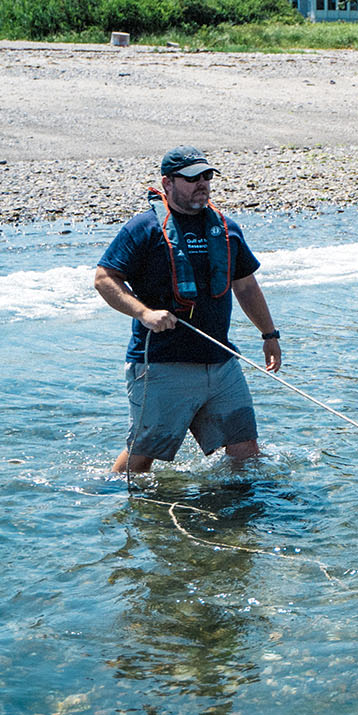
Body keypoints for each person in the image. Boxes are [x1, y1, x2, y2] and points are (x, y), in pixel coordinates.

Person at [94, 146, 281, 473]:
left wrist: (269, 335)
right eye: (192, 178)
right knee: (142, 456)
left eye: (207, 176)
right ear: (167, 183)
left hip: (221, 363)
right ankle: (106, 496)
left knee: (245, 451)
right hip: (161, 364)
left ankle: (234, 515)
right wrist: (144, 314)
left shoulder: (226, 229)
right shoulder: (143, 229)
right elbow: (104, 279)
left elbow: (246, 286)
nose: (203, 184)